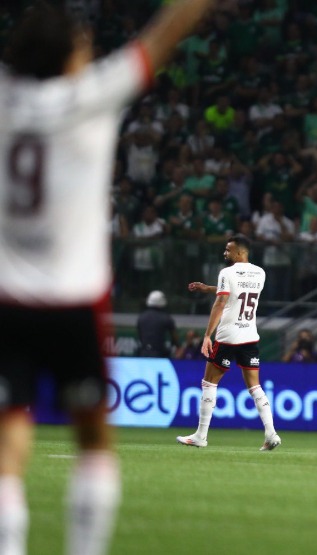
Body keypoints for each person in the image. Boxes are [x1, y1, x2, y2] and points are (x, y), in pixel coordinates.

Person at [0, 2, 216, 554]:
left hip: (9, 300)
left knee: (6, 445)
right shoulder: (91, 94)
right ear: (70, 55)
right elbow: (164, 34)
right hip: (73, 300)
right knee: (94, 440)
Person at [176, 235, 282, 451]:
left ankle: (201, 436)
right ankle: (271, 434)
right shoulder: (260, 272)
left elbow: (222, 302)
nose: (225, 253)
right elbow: (239, 291)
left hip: (227, 337)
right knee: (255, 386)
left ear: (240, 252)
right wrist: (207, 288)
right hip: (249, 335)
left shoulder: (227, 273)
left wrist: (207, 335)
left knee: (209, 383)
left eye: (228, 250)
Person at [136, 290, 179, 357]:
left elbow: (140, 336)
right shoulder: (166, 317)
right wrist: (176, 347)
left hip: (143, 353)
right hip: (159, 354)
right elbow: (174, 337)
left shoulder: (141, 317)